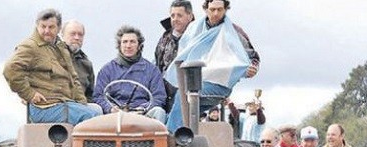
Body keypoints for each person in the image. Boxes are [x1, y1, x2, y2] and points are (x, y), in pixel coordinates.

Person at [165, 0, 261, 132]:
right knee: (178, 106)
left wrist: (252, 68)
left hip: (220, 85)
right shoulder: (194, 28)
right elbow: (184, 51)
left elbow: (253, 57)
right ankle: (179, 138)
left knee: (184, 97)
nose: (216, 13)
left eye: (219, 9)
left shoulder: (234, 31)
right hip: (196, 80)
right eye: (212, 9)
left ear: (226, 9)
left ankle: (170, 137)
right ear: (205, 9)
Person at [3, 9, 99, 125]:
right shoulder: (30, 46)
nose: (46, 31)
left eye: (51, 27)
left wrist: (82, 103)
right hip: (45, 107)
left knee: (97, 112)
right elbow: (10, 69)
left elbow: (73, 78)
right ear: (37, 26)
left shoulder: (60, 48)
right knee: (92, 117)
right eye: (43, 26)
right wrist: (29, 94)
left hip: (63, 102)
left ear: (58, 28)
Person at [93, 25, 167, 122]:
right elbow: (98, 96)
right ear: (119, 45)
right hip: (114, 115)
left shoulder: (152, 70)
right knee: (95, 110)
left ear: (139, 45)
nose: (128, 46)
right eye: (125, 42)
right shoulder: (107, 70)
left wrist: (142, 109)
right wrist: (110, 108)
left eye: (132, 42)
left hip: (142, 114)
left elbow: (159, 97)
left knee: (159, 111)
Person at [61, 19, 102, 115]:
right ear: (62, 35)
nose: (77, 37)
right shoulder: (51, 56)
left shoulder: (86, 64)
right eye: (73, 34)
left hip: (80, 106)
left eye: (80, 35)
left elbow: (90, 94)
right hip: (57, 105)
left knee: (98, 110)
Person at [155, 0, 194, 74]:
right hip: (165, 83)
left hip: (190, 82)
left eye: (179, 15)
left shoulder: (198, 36)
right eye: (173, 16)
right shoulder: (164, 39)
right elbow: (158, 65)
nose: (175, 19)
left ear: (190, 16)